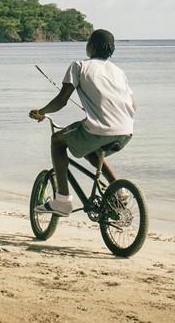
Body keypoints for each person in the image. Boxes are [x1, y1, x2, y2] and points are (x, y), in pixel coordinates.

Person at [29, 29, 135, 216]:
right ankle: (120, 189)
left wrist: (41, 112)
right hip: (126, 131)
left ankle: (62, 200)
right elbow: (132, 105)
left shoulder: (79, 66)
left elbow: (61, 100)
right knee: (91, 150)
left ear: (91, 46)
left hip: (99, 129)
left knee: (57, 140)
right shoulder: (119, 72)